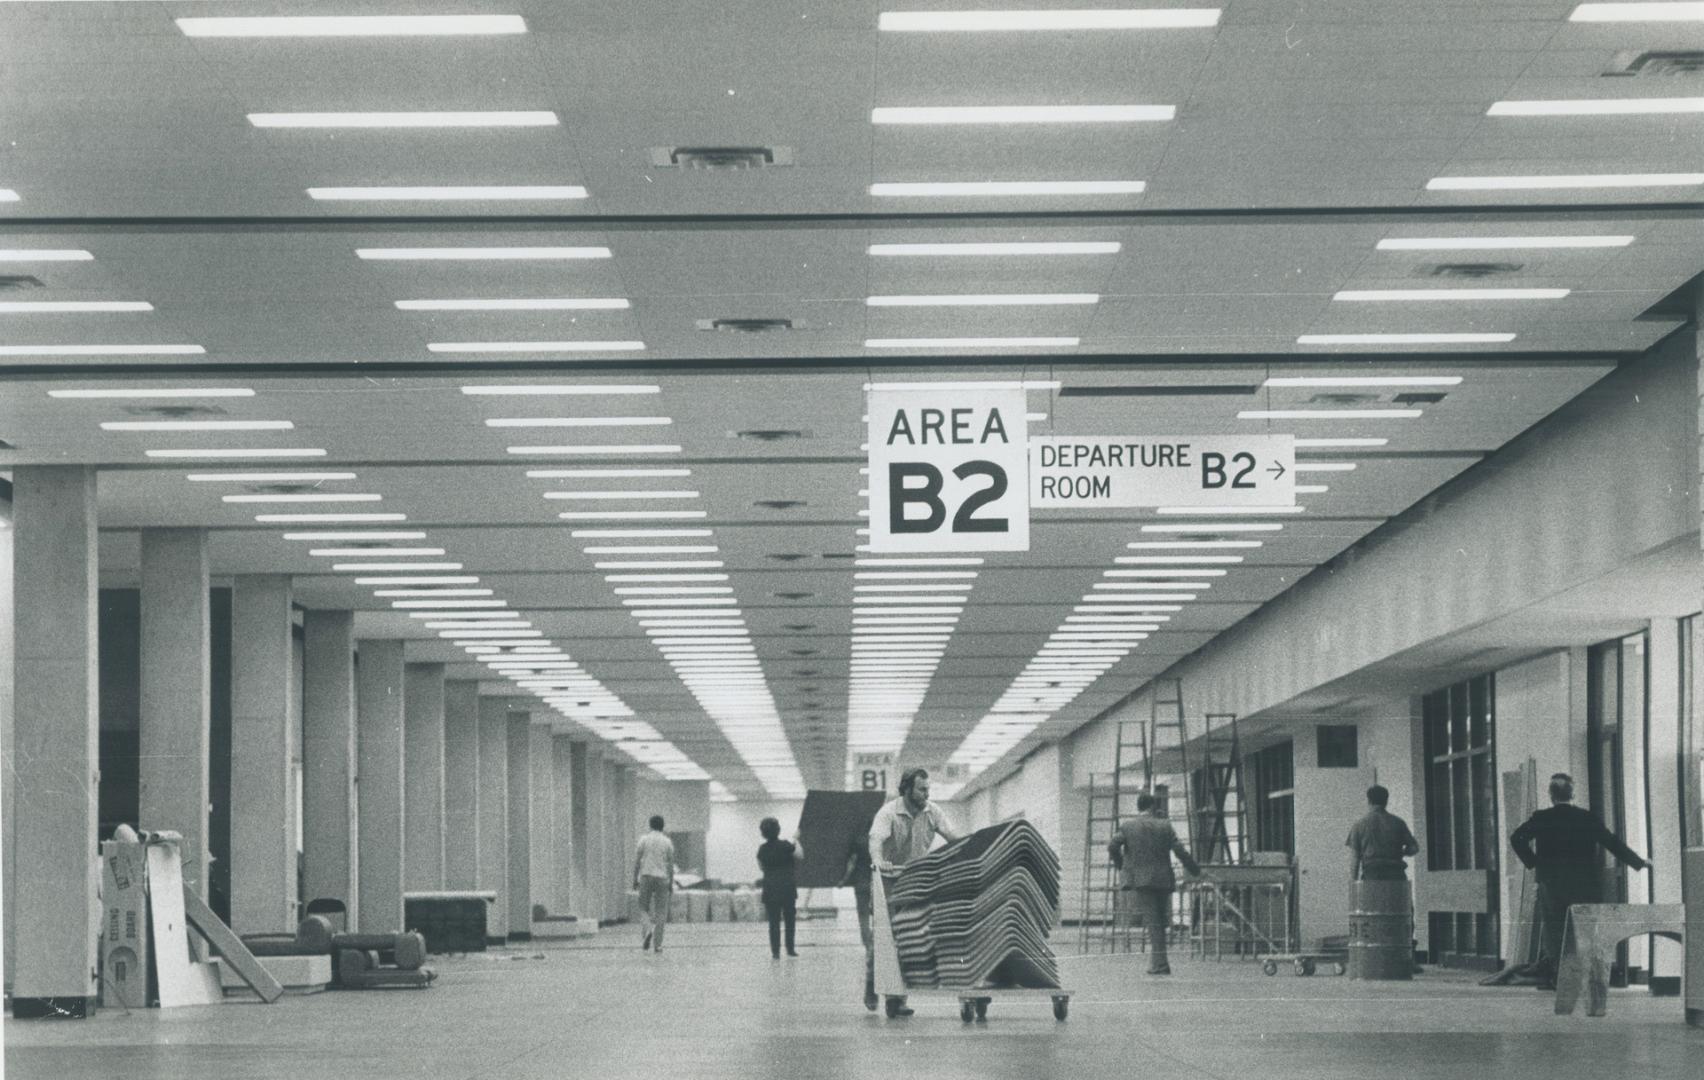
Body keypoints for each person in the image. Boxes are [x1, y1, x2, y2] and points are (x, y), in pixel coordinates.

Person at [1510, 773, 1651, 989]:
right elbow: (1611, 842)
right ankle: (1585, 978)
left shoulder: (1542, 817)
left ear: (1551, 795)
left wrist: (1535, 863)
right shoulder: (1586, 818)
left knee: (1556, 932)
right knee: (1584, 931)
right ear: (1572, 794)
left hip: (1552, 883)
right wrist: (1639, 863)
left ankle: (1560, 980)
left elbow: (1516, 838)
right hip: (1584, 884)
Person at [868, 767, 961, 1016]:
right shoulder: (889, 812)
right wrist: (879, 862)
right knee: (885, 937)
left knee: (909, 937)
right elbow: (875, 840)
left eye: (928, 789)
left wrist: (968, 850)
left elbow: (953, 836)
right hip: (887, 879)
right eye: (921, 789)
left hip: (915, 880)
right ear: (907, 789)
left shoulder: (933, 811)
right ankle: (874, 984)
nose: (926, 793)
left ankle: (899, 999)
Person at [1108, 793, 1200, 975]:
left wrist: (1123, 866)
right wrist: (1195, 870)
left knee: (1153, 922)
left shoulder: (1128, 826)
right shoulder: (1165, 825)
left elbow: (1112, 846)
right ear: (1152, 806)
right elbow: (1179, 850)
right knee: (1160, 920)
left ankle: (1160, 964)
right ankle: (1159, 962)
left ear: (1139, 807)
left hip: (1141, 881)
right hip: (1163, 879)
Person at [1346, 784, 1420, 882]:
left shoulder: (1358, 825)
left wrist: (1353, 882)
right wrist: (1401, 852)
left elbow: (1355, 858)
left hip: (1373, 876)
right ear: (1386, 801)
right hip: (1397, 876)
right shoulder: (1398, 823)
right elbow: (1414, 848)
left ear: (1369, 801)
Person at [756, 817, 804, 959]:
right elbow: (800, 856)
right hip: (787, 887)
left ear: (763, 833)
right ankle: (790, 949)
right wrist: (796, 840)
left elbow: (761, 867)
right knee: (790, 920)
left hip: (770, 888)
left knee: (773, 922)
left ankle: (775, 952)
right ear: (778, 830)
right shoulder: (786, 845)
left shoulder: (762, 849)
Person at [839, 829, 877, 1010]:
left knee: (863, 917)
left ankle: (868, 946)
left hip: (861, 882)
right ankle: (874, 946)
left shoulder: (857, 839)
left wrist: (843, 880)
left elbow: (851, 863)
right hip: (876, 881)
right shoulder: (879, 838)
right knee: (878, 919)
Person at [632, 815, 675, 953]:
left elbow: (638, 861)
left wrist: (635, 878)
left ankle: (648, 929)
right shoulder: (667, 841)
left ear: (650, 825)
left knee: (643, 907)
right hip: (662, 878)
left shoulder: (644, 839)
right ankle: (658, 945)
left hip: (646, 876)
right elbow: (670, 865)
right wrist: (671, 882)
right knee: (661, 912)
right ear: (663, 826)